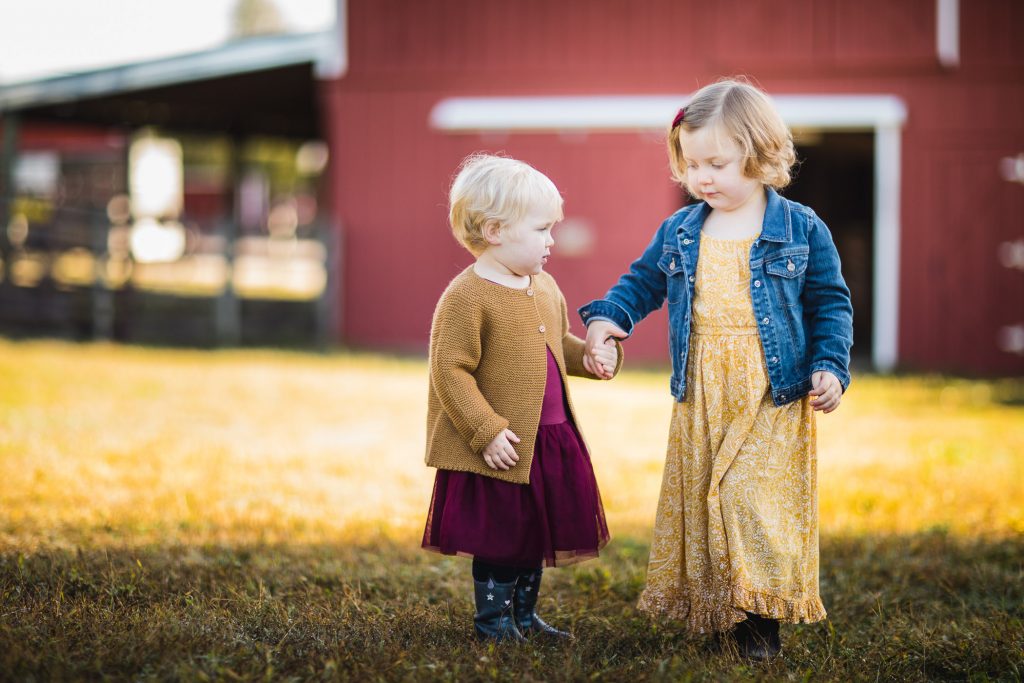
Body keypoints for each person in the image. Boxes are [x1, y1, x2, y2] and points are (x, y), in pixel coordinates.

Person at [579, 78, 853, 660]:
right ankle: (719, 611)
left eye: (717, 164)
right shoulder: (682, 230)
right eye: (692, 164)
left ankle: (759, 625)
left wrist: (829, 364)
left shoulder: (800, 228)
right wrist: (609, 319)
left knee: (752, 498)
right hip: (704, 386)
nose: (702, 178)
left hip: (773, 389)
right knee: (708, 495)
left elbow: (830, 302)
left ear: (760, 154)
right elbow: (644, 281)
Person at [423, 153, 622, 643]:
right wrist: (485, 430)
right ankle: (493, 622)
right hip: (504, 443)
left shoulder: (545, 286)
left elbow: (557, 344)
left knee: (535, 533)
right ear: (494, 230)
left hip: (550, 439)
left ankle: (525, 616)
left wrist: (590, 359)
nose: (552, 240)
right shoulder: (467, 296)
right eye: (541, 229)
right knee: (502, 537)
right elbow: (450, 371)